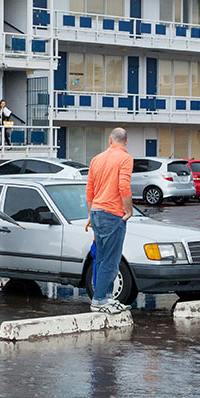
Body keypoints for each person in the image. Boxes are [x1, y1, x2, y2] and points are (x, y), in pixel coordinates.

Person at [85, 127, 133, 314]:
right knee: (111, 260)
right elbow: (123, 185)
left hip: (96, 212)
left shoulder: (96, 159)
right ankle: (99, 300)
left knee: (101, 258)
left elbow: (89, 189)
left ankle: (106, 297)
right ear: (126, 142)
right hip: (113, 214)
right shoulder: (125, 158)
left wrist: (90, 214)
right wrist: (128, 210)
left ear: (110, 140)